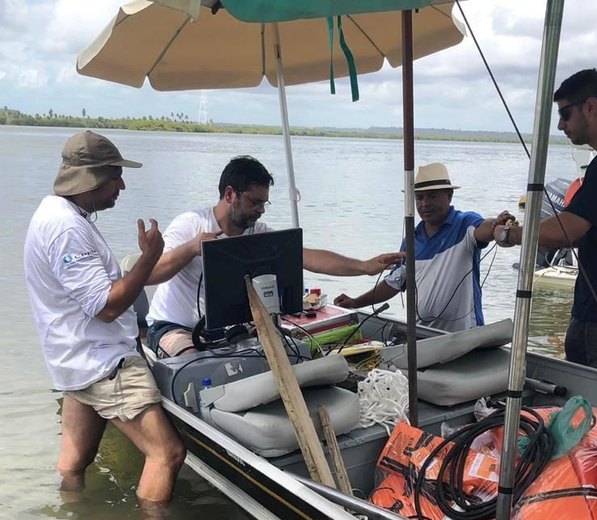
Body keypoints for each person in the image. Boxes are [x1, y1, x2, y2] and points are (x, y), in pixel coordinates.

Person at [23, 131, 185, 506]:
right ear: (92, 178)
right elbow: (106, 307)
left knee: (73, 464)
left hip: (74, 359)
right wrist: (149, 258)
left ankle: (73, 511)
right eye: (115, 176)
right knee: (167, 453)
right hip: (101, 362)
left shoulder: (57, 213)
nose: (122, 185)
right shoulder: (66, 228)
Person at [146, 155, 404, 357]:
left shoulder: (256, 232)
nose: (260, 211)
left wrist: (364, 266)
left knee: (288, 352)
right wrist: (191, 248)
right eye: (254, 202)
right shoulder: (191, 224)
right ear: (229, 194)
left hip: (225, 329)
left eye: (264, 204)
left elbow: (307, 257)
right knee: (196, 364)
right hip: (174, 326)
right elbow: (151, 274)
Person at [494, 68, 597, 379]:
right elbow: (579, 230)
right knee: (580, 410)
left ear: (591, 107)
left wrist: (511, 234)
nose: (560, 125)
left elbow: (568, 229)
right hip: (593, 311)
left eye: (565, 114)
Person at [333, 163, 509, 332]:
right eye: (419, 197)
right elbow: (394, 282)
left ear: (449, 196)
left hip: (465, 334)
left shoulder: (464, 224)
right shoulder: (411, 239)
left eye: (432, 196)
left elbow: (482, 230)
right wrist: (355, 302)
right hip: (422, 335)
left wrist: (495, 225)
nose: (425, 203)